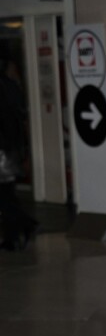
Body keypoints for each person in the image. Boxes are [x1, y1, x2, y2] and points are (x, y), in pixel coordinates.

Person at [0, 61, 38, 251]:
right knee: (7, 194)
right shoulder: (11, 87)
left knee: (5, 196)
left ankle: (20, 229)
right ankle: (21, 228)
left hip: (3, 150)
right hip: (10, 148)